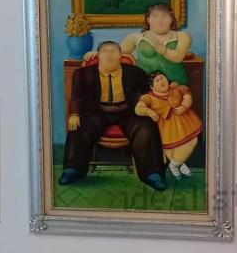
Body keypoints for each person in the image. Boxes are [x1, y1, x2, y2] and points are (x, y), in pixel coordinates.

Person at [59, 41, 167, 191]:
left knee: (146, 126)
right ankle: (73, 169)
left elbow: (149, 89)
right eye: (105, 52)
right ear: (98, 56)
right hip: (97, 111)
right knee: (78, 125)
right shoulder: (83, 74)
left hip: (127, 110)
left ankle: (152, 173)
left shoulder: (134, 72)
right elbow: (77, 97)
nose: (109, 56)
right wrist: (74, 114)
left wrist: (168, 89)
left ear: (121, 56)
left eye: (113, 52)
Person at [84, 3, 192, 85]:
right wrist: (98, 53)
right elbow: (117, 51)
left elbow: (178, 57)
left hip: (175, 84)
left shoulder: (181, 36)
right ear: (148, 19)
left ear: (171, 19)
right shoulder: (136, 37)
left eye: (164, 16)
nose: (160, 20)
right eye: (155, 16)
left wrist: (164, 51)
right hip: (146, 85)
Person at [135, 71, 202, 179]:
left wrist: (184, 106)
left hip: (187, 124)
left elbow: (187, 96)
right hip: (166, 130)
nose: (161, 81)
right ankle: (180, 164)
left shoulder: (176, 88)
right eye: (157, 80)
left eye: (162, 78)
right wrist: (149, 111)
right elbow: (138, 109)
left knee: (193, 141)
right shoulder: (149, 97)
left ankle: (174, 165)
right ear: (152, 87)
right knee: (171, 149)